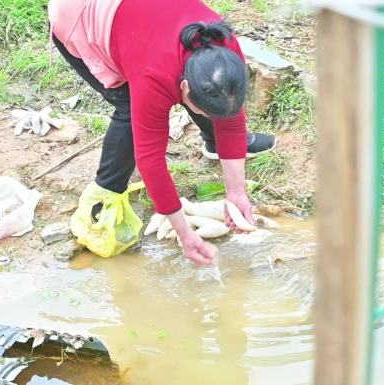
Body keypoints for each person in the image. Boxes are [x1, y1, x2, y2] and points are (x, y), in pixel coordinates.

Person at [48, 0, 276, 266]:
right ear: (185, 87)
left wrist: (237, 192)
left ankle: (215, 144)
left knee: (219, 104)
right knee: (129, 108)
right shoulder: (152, 77)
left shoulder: (225, 49)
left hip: (144, 23)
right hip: (79, 12)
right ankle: (107, 190)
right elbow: (151, 161)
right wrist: (185, 234)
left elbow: (232, 120)